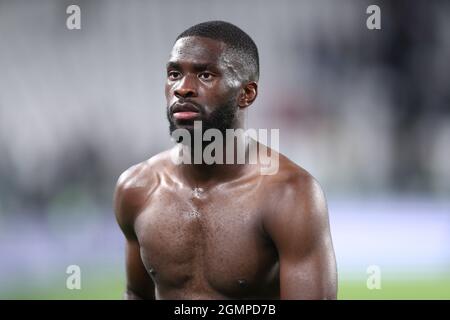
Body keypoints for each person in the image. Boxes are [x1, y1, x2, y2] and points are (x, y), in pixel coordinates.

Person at [114, 21, 337, 299]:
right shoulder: (136, 189)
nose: (182, 88)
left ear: (247, 94)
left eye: (205, 75)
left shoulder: (290, 194)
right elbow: (136, 294)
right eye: (174, 74)